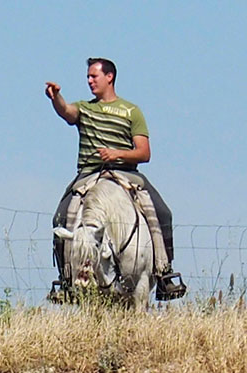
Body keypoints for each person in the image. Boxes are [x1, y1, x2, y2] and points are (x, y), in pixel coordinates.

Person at [44, 57, 186, 301]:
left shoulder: (131, 111)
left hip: (126, 174)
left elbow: (144, 152)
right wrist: (56, 97)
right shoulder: (85, 108)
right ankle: (66, 279)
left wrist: (117, 154)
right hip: (89, 175)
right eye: (88, 77)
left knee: (163, 213)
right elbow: (67, 113)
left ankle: (164, 273)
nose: (89, 81)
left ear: (109, 77)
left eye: (94, 76)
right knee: (61, 215)